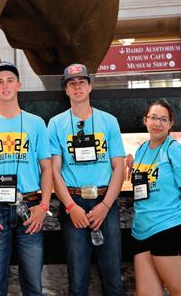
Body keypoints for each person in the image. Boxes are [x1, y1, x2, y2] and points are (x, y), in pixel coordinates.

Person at [0, 61, 53, 296]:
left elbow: (47, 167)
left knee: (33, 283)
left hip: (30, 207)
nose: (5, 85)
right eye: (0, 81)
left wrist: (43, 206)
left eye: (9, 80)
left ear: (19, 85)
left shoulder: (36, 123)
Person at [48, 63, 125, 296]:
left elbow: (119, 167)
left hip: (105, 203)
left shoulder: (109, 121)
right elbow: (54, 170)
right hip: (74, 205)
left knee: (113, 279)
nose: (77, 87)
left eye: (82, 82)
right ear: (66, 90)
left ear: (90, 86)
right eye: (72, 84)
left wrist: (105, 205)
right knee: (77, 280)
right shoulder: (56, 123)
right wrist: (71, 207)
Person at [130, 98, 181, 296]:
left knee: (180, 292)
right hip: (141, 232)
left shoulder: (175, 150)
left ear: (170, 124)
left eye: (164, 119)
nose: (158, 123)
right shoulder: (141, 150)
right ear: (145, 120)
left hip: (170, 229)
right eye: (153, 117)